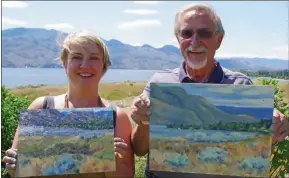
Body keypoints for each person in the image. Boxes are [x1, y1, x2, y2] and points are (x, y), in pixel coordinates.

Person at [130, 3, 289, 178]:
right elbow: (139, 149)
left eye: (204, 33)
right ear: (178, 39)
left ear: (219, 40)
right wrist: (142, 123)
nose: (195, 41)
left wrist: (274, 128)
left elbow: (255, 153)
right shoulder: (159, 82)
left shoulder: (241, 85)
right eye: (187, 33)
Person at [3, 30, 135, 178]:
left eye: (94, 58)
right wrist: (13, 165)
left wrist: (113, 160)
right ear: (65, 63)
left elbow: (127, 175)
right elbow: (19, 170)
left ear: (104, 66)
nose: (85, 65)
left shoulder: (117, 117)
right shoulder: (41, 107)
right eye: (77, 57)